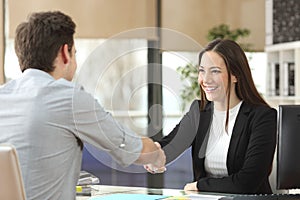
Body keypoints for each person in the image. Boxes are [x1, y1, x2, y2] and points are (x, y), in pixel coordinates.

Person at [0, 11, 165, 200]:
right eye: (74, 53)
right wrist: (157, 156)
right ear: (64, 53)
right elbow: (136, 150)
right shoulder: (67, 98)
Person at [145, 39, 277, 195]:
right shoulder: (199, 112)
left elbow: (247, 183)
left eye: (215, 71)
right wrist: (155, 155)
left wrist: (199, 186)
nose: (205, 79)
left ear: (235, 75)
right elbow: (170, 145)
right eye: (202, 71)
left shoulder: (262, 117)